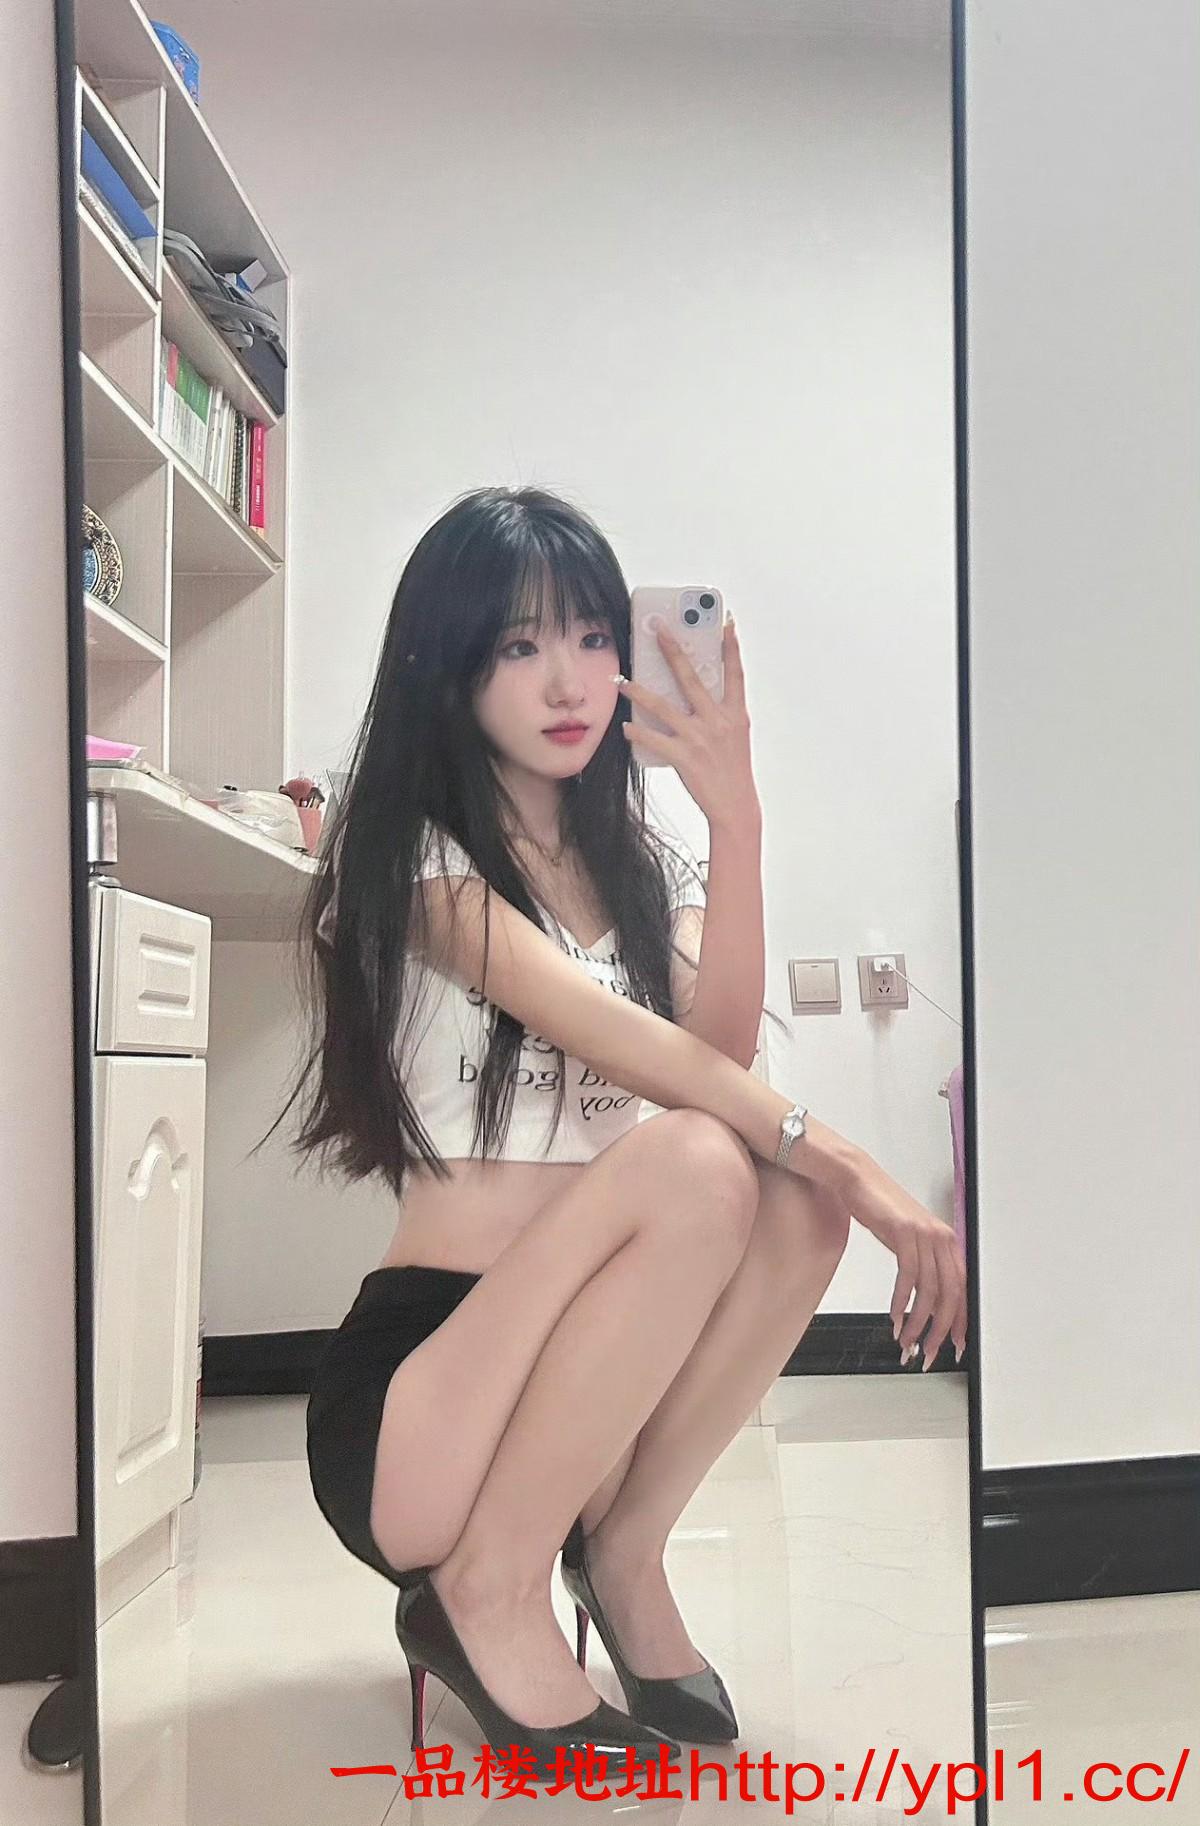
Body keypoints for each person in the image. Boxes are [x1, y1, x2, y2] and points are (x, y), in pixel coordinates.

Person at [261, 485, 968, 1778]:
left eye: (594, 637)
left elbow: (719, 1051)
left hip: (593, 1386)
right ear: (449, 664)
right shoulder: (413, 854)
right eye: (520, 644)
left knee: (789, 1196)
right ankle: (484, 1588)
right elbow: (636, 1051)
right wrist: (859, 1157)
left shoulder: (646, 861)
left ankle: (624, 1550)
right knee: (709, 1157)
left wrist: (736, 815)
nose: (569, 678)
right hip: (425, 1400)